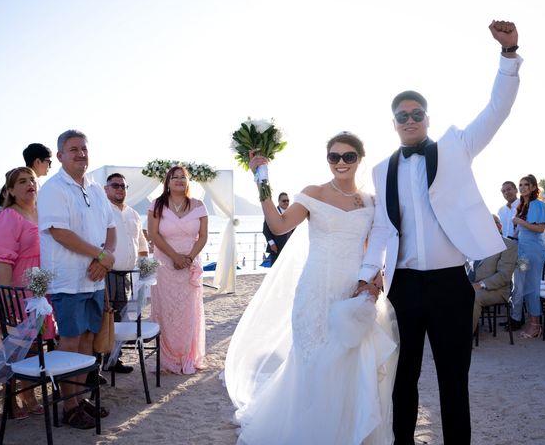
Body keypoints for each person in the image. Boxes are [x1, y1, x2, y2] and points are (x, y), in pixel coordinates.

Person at [358, 20, 522, 444]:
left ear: (426, 118)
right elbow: (380, 227)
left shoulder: (456, 146)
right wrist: (365, 273)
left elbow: (496, 112)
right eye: (401, 116)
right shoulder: (381, 170)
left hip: (451, 285)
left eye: (416, 114)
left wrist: (508, 56)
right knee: (403, 379)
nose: (409, 119)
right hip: (404, 288)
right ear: (393, 123)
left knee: (454, 381)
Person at [226, 132, 399, 444]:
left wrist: (375, 280)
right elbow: (279, 226)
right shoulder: (314, 193)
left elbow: (376, 246)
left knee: (351, 363)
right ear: (327, 160)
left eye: (348, 156)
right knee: (314, 362)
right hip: (316, 291)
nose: (341, 162)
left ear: (360, 158)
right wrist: (260, 178)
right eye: (334, 156)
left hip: (353, 292)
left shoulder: (372, 202)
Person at [38, 130, 115, 429]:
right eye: (73, 149)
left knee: (86, 339)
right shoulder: (53, 189)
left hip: (94, 279)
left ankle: (81, 398)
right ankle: (68, 406)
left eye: (84, 148)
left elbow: (111, 227)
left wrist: (105, 257)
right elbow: (59, 232)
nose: (81, 153)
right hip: (68, 280)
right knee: (69, 340)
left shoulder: (95, 187)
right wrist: (100, 256)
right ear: (60, 155)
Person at [0, 167, 57, 417]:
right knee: (15, 342)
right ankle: (18, 399)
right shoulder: (8, 216)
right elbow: (3, 263)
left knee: (33, 344)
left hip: (35, 288)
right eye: (21, 181)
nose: (30, 184)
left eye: (32, 180)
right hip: (11, 288)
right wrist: (10, 299)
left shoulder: (42, 213)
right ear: (9, 190)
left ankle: (25, 395)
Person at [147, 165, 208, 374]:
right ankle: (169, 357)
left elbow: (204, 237)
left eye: (183, 177)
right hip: (165, 264)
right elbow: (154, 235)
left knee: (189, 310)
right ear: (168, 181)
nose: (179, 180)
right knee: (167, 309)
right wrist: (174, 257)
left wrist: (189, 258)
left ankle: (187, 355)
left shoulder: (199, 205)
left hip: (190, 264)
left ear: (188, 182)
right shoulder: (156, 205)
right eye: (175, 177)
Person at [103, 172, 149, 373]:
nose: (120, 189)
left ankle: (114, 360)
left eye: (123, 186)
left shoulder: (133, 213)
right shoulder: (102, 211)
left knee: (120, 318)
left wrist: (146, 263)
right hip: (107, 273)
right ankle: (98, 363)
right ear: (106, 189)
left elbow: (140, 241)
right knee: (105, 318)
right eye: (115, 185)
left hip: (128, 275)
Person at [0, 143, 53, 261]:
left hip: (39, 261)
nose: (50, 166)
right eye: (49, 162)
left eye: (32, 180)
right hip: (3, 262)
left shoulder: (45, 193)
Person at [512, 174, 545, 339]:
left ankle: (536, 326)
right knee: (522, 285)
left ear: (534, 187)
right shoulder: (523, 206)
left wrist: (520, 222)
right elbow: (520, 231)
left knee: (532, 286)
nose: (522, 187)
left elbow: (541, 229)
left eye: (526, 184)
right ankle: (531, 322)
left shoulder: (537, 204)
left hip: (533, 251)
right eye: (520, 185)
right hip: (522, 252)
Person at [469, 215, 518, 333]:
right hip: (474, 285)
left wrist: (480, 284)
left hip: (498, 289)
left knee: (472, 296)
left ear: (499, 227)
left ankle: (466, 335)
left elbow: (504, 276)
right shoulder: (477, 244)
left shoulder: (509, 245)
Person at [262, 192, 291, 265]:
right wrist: (272, 244)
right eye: (284, 201)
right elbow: (265, 230)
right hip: (276, 247)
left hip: (289, 247)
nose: (286, 202)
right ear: (279, 201)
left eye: (288, 200)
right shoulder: (273, 212)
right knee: (275, 270)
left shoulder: (291, 212)